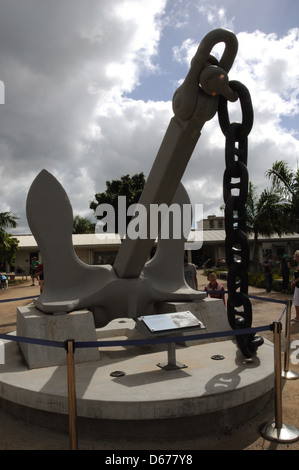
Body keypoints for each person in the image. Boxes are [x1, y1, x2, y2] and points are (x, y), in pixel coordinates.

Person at [291, 250, 299, 322]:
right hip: (297, 286)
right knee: (296, 300)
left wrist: (295, 282)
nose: (295, 258)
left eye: (296, 256)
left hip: (298, 285)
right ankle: (297, 316)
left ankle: (297, 316)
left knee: (297, 300)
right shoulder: (298, 265)